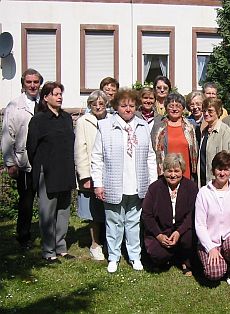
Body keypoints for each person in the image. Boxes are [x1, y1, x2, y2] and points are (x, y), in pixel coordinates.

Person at [91, 88, 157, 273]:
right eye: (123, 105)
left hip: (137, 184)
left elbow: (150, 157)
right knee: (114, 222)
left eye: (131, 105)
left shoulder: (142, 125)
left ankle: (135, 256)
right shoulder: (105, 126)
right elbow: (97, 157)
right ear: (116, 106)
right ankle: (113, 257)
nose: (128, 109)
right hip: (113, 183)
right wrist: (98, 183)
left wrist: (152, 183)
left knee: (134, 223)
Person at [26, 82, 76, 263]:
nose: (59, 97)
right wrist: (40, 167)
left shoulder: (66, 118)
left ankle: (60, 246)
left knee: (63, 210)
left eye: (60, 94)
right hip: (46, 172)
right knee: (48, 212)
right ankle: (48, 251)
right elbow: (31, 148)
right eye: (55, 94)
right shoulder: (38, 120)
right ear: (45, 97)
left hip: (65, 170)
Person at [195, 151, 230, 284]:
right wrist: (210, 248)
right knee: (214, 273)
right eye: (219, 169)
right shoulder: (203, 193)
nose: (222, 173)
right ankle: (225, 265)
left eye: (226, 169)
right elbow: (200, 225)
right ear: (213, 170)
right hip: (210, 241)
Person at [1, 68, 42, 249]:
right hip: (24, 161)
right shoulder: (14, 106)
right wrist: (10, 163)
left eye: (35, 82)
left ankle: (48, 236)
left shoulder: (45, 103)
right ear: (23, 84)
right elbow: (7, 135)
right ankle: (23, 237)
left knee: (47, 202)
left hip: (43, 161)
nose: (32, 85)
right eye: (29, 82)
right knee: (26, 202)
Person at [142, 153, 198, 275]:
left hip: (182, 231)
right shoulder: (154, 188)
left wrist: (178, 232)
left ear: (182, 171)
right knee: (158, 254)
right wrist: (158, 235)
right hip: (162, 231)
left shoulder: (191, 187)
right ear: (164, 171)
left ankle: (185, 261)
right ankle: (166, 259)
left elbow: (192, 214)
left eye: (176, 171)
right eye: (169, 171)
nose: (173, 175)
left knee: (189, 238)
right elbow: (147, 215)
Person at [74, 90, 109, 261]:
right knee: (93, 212)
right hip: (91, 172)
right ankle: (95, 244)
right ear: (90, 105)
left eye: (101, 103)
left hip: (108, 173)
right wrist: (85, 176)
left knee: (109, 211)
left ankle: (109, 242)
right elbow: (80, 150)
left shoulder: (111, 120)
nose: (98, 106)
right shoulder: (83, 121)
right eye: (94, 104)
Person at [153, 93, 198, 181]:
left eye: (178, 106)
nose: (174, 109)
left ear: (183, 108)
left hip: (186, 172)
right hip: (167, 174)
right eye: (171, 106)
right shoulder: (158, 128)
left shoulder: (191, 127)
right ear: (166, 108)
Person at [198, 98, 230, 187]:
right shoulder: (204, 132)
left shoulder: (225, 131)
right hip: (206, 180)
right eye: (204, 111)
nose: (206, 114)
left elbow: (229, 161)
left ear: (218, 112)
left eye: (210, 111)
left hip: (221, 183)